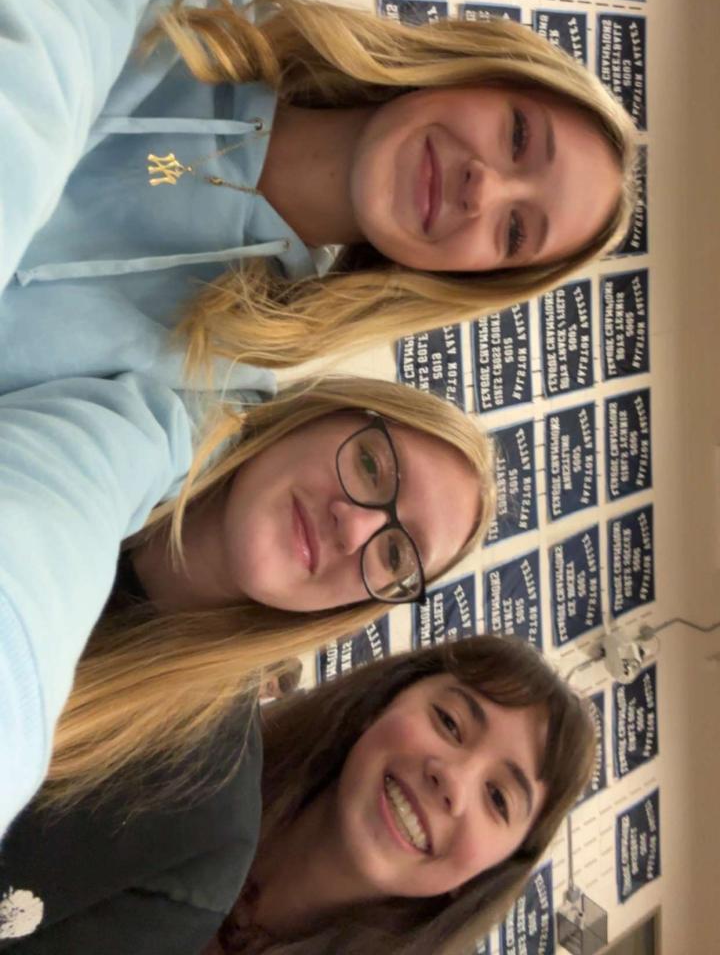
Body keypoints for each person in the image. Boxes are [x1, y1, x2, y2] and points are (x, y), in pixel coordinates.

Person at [0, 0, 638, 398]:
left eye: (515, 231)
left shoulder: (225, 379)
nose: (485, 189)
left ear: (471, 278)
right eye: (519, 138)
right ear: (475, 71)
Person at [0, 371, 494, 836]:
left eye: (395, 555)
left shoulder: (201, 816)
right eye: (370, 467)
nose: (355, 528)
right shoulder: (100, 385)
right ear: (322, 413)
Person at [0, 635, 595, 955]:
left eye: (498, 799)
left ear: (490, 872)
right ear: (383, 703)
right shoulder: (178, 744)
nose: (453, 779)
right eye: (449, 721)